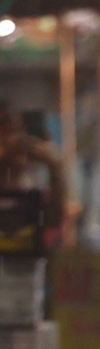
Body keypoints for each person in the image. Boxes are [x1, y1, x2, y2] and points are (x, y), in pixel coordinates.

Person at [0, 99, 67, 250]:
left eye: (13, 130)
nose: (9, 139)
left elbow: (54, 219)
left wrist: (53, 165)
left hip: (26, 263)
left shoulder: (33, 183)